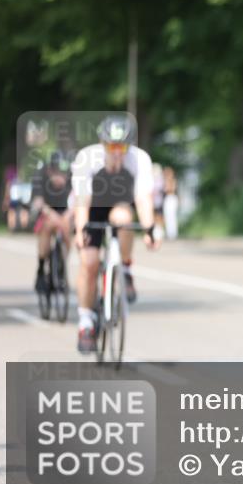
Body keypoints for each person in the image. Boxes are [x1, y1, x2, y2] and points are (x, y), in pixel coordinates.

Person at [71, 115, 161, 353]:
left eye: (123, 146)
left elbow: (142, 199)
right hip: (92, 208)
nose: (117, 152)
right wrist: (80, 230)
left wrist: (150, 229)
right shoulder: (87, 159)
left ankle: (126, 269)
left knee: (124, 219)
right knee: (89, 263)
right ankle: (86, 322)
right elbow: (82, 200)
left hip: (119, 204)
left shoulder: (139, 160)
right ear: (103, 144)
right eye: (112, 146)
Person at [31, 151, 73, 293]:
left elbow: (77, 200)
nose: (61, 178)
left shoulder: (72, 178)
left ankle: (61, 265)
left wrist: (68, 215)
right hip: (46, 211)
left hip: (64, 212)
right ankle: (41, 268)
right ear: (49, 171)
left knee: (68, 228)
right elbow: (38, 202)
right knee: (47, 226)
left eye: (64, 174)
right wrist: (52, 215)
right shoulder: (40, 176)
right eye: (57, 173)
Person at [162, 166, 180, 240]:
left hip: (171, 198)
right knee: (167, 217)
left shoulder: (172, 180)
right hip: (168, 199)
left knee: (172, 216)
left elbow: (171, 189)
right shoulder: (165, 180)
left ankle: (172, 233)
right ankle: (169, 233)